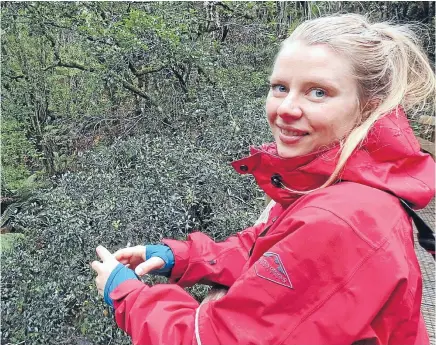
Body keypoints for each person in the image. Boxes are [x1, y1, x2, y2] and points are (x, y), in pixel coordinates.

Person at [91, 14, 435, 345]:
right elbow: (269, 253)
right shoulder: (332, 181)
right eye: (281, 87)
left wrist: (124, 293)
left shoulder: (343, 219)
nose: (286, 107)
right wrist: (179, 257)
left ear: (367, 107)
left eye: (318, 92)